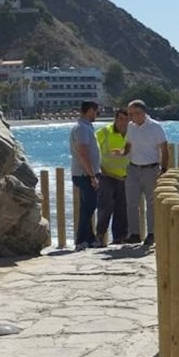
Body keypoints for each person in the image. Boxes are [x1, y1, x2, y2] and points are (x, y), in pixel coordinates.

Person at [123, 99, 170, 247]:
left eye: (132, 114)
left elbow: (164, 149)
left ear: (141, 112)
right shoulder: (131, 127)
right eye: (129, 114)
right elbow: (129, 144)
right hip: (133, 169)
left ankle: (151, 234)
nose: (130, 117)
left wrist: (163, 169)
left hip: (150, 169)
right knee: (131, 203)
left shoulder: (155, 127)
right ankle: (135, 234)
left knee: (151, 203)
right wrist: (123, 152)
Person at [69, 100, 102, 250]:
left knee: (87, 206)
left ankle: (89, 238)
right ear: (90, 111)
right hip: (84, 174)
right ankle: (81, 239)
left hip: (87, 173)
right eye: (96, 112)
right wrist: (92, 176)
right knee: (89, 207)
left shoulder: (85, 127)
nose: (97, 115)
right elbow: (83, 153)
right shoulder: (82, 128)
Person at [95, 107, 130, 244]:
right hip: (107, 176)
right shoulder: (105, 131)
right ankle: (100, 236)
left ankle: (119, 238)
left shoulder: (132, 133)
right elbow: (93, 148)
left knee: (122, 209)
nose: (123, 122)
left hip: (125, 177)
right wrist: (98, 167)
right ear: (115, 119)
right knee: (105, 207)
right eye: (120, 119)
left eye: (126, 119)